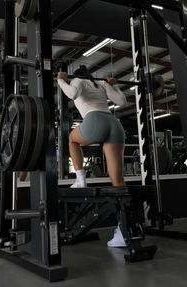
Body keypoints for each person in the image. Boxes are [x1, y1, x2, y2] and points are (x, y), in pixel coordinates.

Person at [57, 65, 127, 247]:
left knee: (72, 139)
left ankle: (80, 179)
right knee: (118, 182)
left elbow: (71, 94)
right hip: (114, 125)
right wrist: (114, 86)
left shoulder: (78, 81)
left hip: (95, 121)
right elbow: (122, 101)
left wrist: (60, 80)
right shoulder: (101, 84)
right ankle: (124, 232)